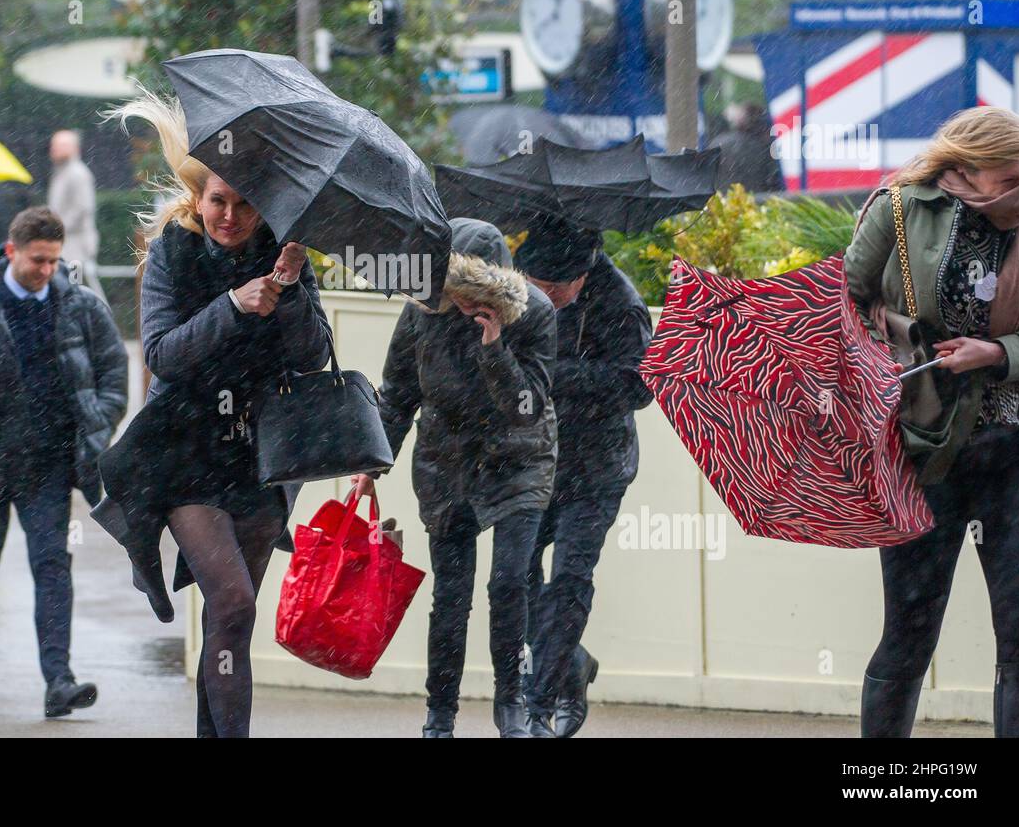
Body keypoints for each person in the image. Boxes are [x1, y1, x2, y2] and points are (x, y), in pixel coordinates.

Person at [109, 90, 331, 738]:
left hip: (259, 455)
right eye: (217, 201)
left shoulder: (284, 253)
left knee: (232, 616)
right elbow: (163, 355)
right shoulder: (172, 251)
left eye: (242, 204)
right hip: (183, 452)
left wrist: (287, 291)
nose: (227, 216)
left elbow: (314, 355)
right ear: (197, 195)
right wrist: (232, 305)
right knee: (231, 598)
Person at [845, 105, 1019, 738]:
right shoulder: (899, 207)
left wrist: (1001, 353)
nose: (1017, 192)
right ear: (966, 167)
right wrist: (893, 349)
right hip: (921, 450)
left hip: (1015, 449)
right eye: (1006, 179)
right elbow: (842, 302)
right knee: (909, 633)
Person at [354, 217, 558, 738]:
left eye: (475, 295)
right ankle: (440, 714)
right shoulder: (422, 313)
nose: (463, 306)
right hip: (446, 463)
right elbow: (397, 392)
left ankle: (510, 699)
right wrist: (374, 465)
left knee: (510, 583)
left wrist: (495, 348)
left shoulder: (534, 314)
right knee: (451, 593)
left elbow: (526, 408)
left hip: (519, 460)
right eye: (456, 294)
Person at [0, 206, 127, 718]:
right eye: (38, 260)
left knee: (52, 567)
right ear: (12, 251)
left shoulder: (81, 304)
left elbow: (112, 372)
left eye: (54, 261)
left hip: (50, 466)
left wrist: (95, 425)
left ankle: (59, 680)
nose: (46, 271)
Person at [513, 218, 653, 738]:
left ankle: (539, 704)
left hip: (597, 465)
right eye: (533, 287)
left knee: (570, 578)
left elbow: (640, 384)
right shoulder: (515, 288)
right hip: (532, 458)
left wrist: (556, 374)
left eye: (554, 291)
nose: (542, 300)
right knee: (516, 573)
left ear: (582, 276)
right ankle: (569, 662)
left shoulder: (621, 302)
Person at [47, 130, 104, 298]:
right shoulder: (63, 172)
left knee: (75, 290)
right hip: (66, 243)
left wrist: (56, 228)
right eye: (54, 145)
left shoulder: (77, 173)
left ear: (74, 148)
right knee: (69, 290)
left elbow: (83, 208)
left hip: (76, 247)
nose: (55, 149)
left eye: (61, 145)